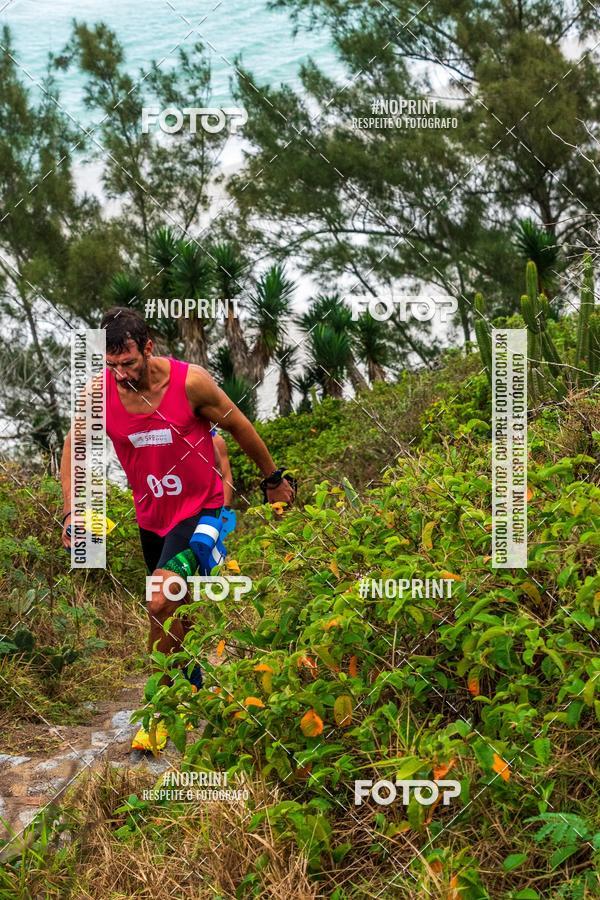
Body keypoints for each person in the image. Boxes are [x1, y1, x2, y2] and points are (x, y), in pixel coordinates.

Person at [60, 307, 295, 749]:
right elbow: (74, 447)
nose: (121, 374)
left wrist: (273, 479)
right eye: (111, 366)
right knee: (177, 609)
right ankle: (192, 685)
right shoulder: (101, 393)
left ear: (148, 347)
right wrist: (73, 511)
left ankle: (159, 709)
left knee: (160, 600)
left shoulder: (191, 383)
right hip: (153, 518)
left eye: (128, 363)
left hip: (204, 512)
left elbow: (240, 427)